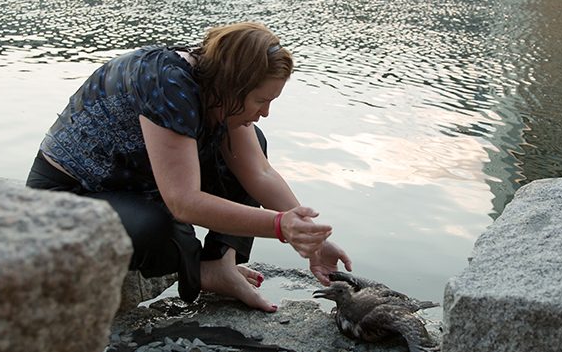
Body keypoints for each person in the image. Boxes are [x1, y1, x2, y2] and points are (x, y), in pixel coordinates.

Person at [25, 21, 351, 312]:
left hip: (132, 185)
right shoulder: (167, 85)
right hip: (67, 195)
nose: (265, 111)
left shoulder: (217, 88)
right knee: (157, 227)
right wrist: (281, 227)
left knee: (252, 142)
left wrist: (312, 240)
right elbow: (183, 203)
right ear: (233, 86)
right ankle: (201, 272)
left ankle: (220, 264)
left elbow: (258, 172)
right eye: (261, 100)